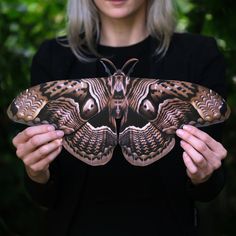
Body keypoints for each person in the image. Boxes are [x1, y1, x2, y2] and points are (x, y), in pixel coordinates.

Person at [12, 0, 228, 235]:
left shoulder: (198, 54)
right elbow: (45, 195)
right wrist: (36, 172)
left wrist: (205, 175)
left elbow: (210, 187)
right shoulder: (52, 57)